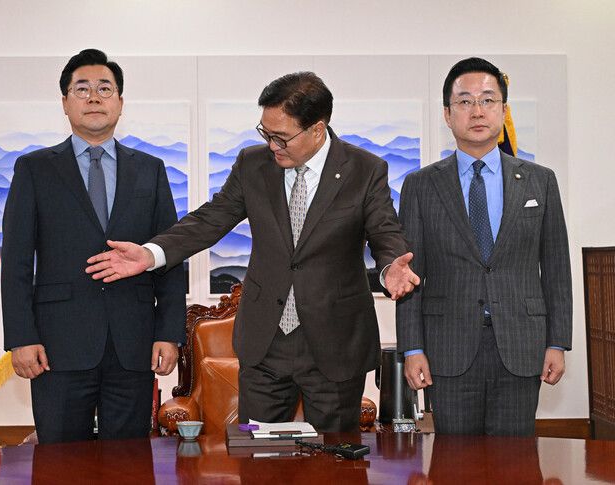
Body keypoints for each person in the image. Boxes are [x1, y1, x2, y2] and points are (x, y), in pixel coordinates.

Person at [86, 71, 420, 432]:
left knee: (334, 455)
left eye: (281, 137)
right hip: (265, 343)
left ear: (317, 129)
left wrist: (391, 268)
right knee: (259, 452)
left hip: (336, 342)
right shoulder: (253, 164)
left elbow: (385, 232)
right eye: (266, 133)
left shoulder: (364, 170)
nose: (272, 145)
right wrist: (152, 254)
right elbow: (210, 219)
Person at [1, 49, 186, 444]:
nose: (94, 98)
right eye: (81, 89)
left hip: (133, 343)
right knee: (60, 461)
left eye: (105, 89)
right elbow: (16, 261)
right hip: (57, 345)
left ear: (120, 101)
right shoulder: (34, 169)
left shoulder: (150, 170)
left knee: (129, 461)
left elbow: (169, 254)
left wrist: (169, 333)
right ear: (65, 102)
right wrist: (21, 337)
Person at [396, 57, 572, 436]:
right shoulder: (421, 186)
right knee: (454, 460)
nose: (477, 111)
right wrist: (412, 349)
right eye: (464, 101)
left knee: (516, 460)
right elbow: (409, 274)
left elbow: (557, 268)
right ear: (447, 114)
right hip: (448, 348)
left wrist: (557, 342)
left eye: (488, 100)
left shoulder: (540, 181)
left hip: (522, 345)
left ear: (503, 110)